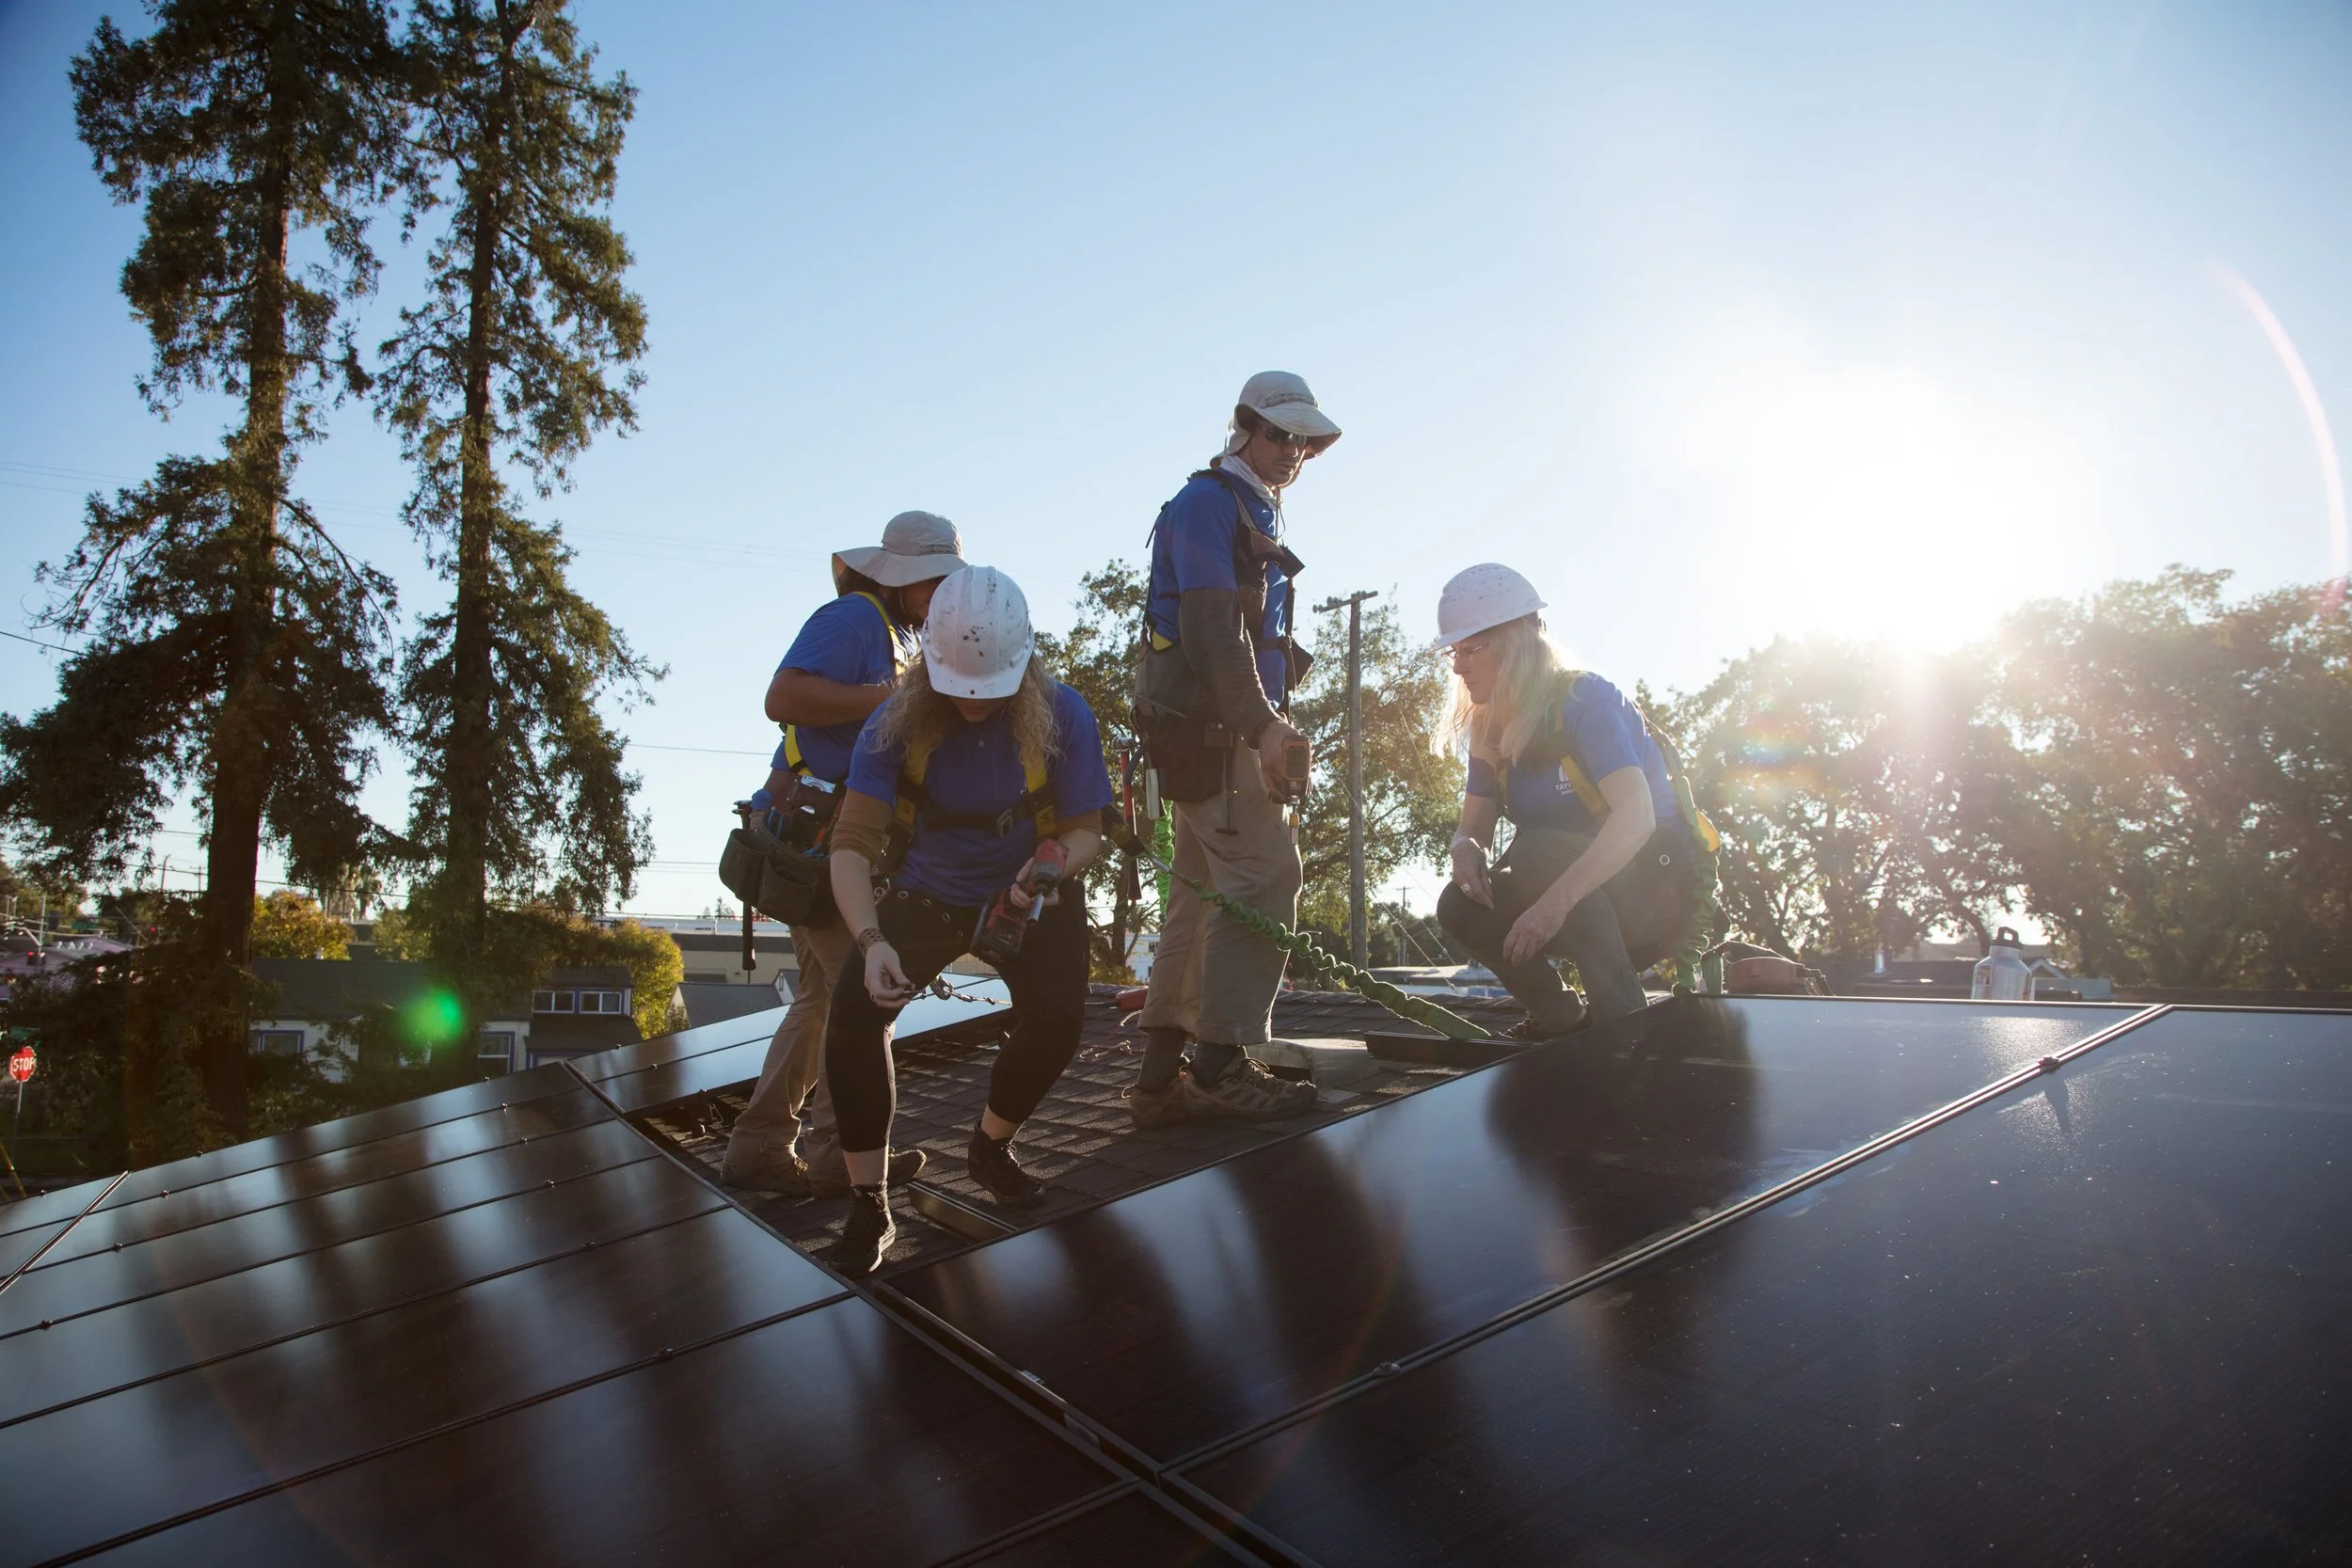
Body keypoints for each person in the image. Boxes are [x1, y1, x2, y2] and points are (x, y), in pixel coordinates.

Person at [824, 566, 1114, 1275]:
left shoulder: (1065, 713)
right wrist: (871, 941)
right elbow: (851, 846)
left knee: (1059, 1017)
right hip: (927, 891)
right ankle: (869, 1201)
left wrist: (1042, 870)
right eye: (959, 691)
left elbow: (1087, 830)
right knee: (854, 1019)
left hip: (1028, 888)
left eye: (991, 691)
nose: (975, 706)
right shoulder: (892, 723)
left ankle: (990, 1144)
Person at [719, 511, 967, 1196]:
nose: (940, 598)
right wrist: (891, 698)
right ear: (902, 579)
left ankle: (761, 1143)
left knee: (822, 1001)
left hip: (812, 836)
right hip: (816, 839)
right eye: (933, 583)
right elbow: (784, 695)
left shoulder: (888, 635)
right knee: (864, 1000)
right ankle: (840, 1151)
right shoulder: (856, 618)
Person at [1126, 372, 1342, 1128]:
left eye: (1305, 441)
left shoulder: (1251, 503)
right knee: (1268, 875)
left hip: (1217, 736)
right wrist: (1266, 729)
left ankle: (1159, 1081)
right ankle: (1219, 1063)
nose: (1294, 451)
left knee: (1195, 894)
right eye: (1280, 434)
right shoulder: (1207, 504)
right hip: (1215, 739)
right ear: (1245, 425)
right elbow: (1214, 635)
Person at [1432, 563, 1705, 1036]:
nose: (1458, 666)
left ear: (1517, 641)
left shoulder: (1586, 699)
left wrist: (1551, 907)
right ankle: (1561, 1018)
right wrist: (1465, 848)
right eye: (1454, 652)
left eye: (1471, 649)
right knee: (1458, 905)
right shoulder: (1488, 727)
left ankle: (1624, 1021)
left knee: (1535, 850)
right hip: (1572, 901)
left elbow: (1636, 818)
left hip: (1655, 896)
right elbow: (1472, 827)